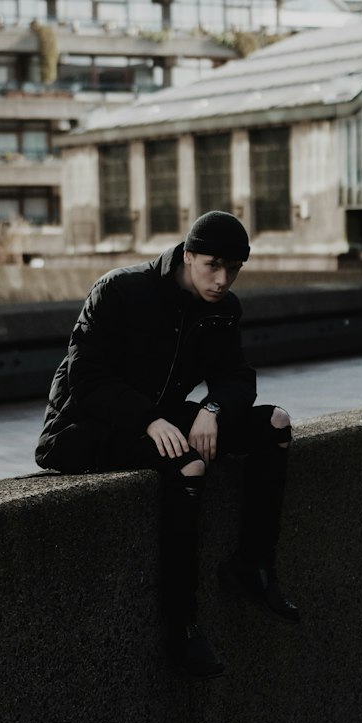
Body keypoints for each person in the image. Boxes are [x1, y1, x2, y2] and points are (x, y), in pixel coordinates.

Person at [35, 210, 299, 679]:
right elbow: (86, 378)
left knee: (275, 424)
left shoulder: (221, 309)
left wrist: (211, 409)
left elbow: (236, 377)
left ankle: (254, 565)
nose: (222, 280)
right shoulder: (120, 290)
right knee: (189, 464)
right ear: (188, 254)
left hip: (160, 419)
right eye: (212, 266)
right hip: (83, 429)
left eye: (233, 269)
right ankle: (182, 627)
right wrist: (150, 419)